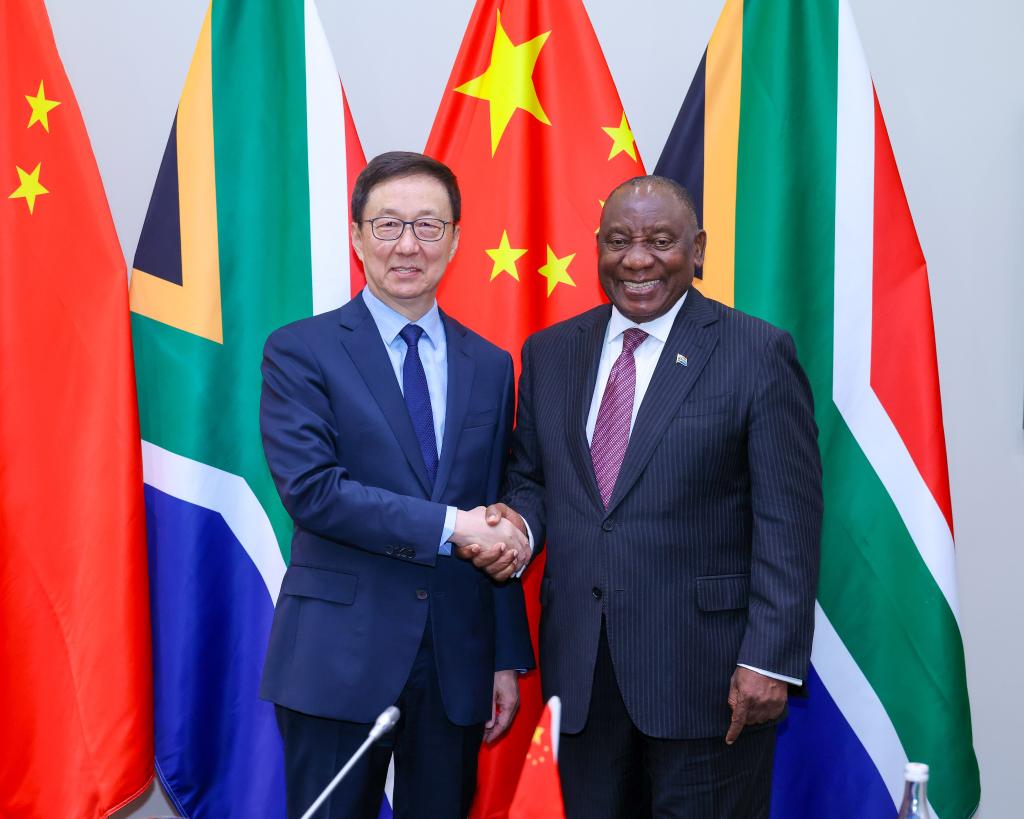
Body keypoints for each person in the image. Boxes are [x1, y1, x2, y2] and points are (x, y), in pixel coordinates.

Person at [460, 176, 823, 817]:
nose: (637, 259)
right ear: (598, 246)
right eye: (620, 240)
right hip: (582, 676)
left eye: (660, 241)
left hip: (709, 682)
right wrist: (517, 528)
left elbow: (788, 522)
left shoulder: (757, 352)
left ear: (697, 249)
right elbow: (533, 480)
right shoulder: (550, 353)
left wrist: (769, 660)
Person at [259, 151, 534, 819]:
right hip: (336, 657)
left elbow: (496, 497)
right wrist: (452, 526)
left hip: (456, 663)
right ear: (357, 237)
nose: (408, 245)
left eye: (428, 225)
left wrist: (502, 655)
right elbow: (314, 491)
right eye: (387, 225)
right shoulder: (300, 350)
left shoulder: (490, 364)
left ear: (455, 240)